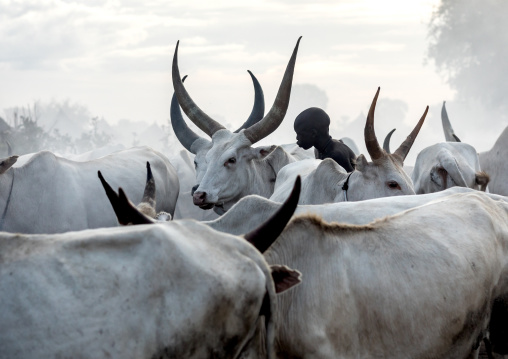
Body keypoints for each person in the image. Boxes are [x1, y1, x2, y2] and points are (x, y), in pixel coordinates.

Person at [294, 107, 356, 172]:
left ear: (313, 133)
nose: (297, 138)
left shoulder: (335, 156)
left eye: (300, 135)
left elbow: (351, 180)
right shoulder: (318, 150)